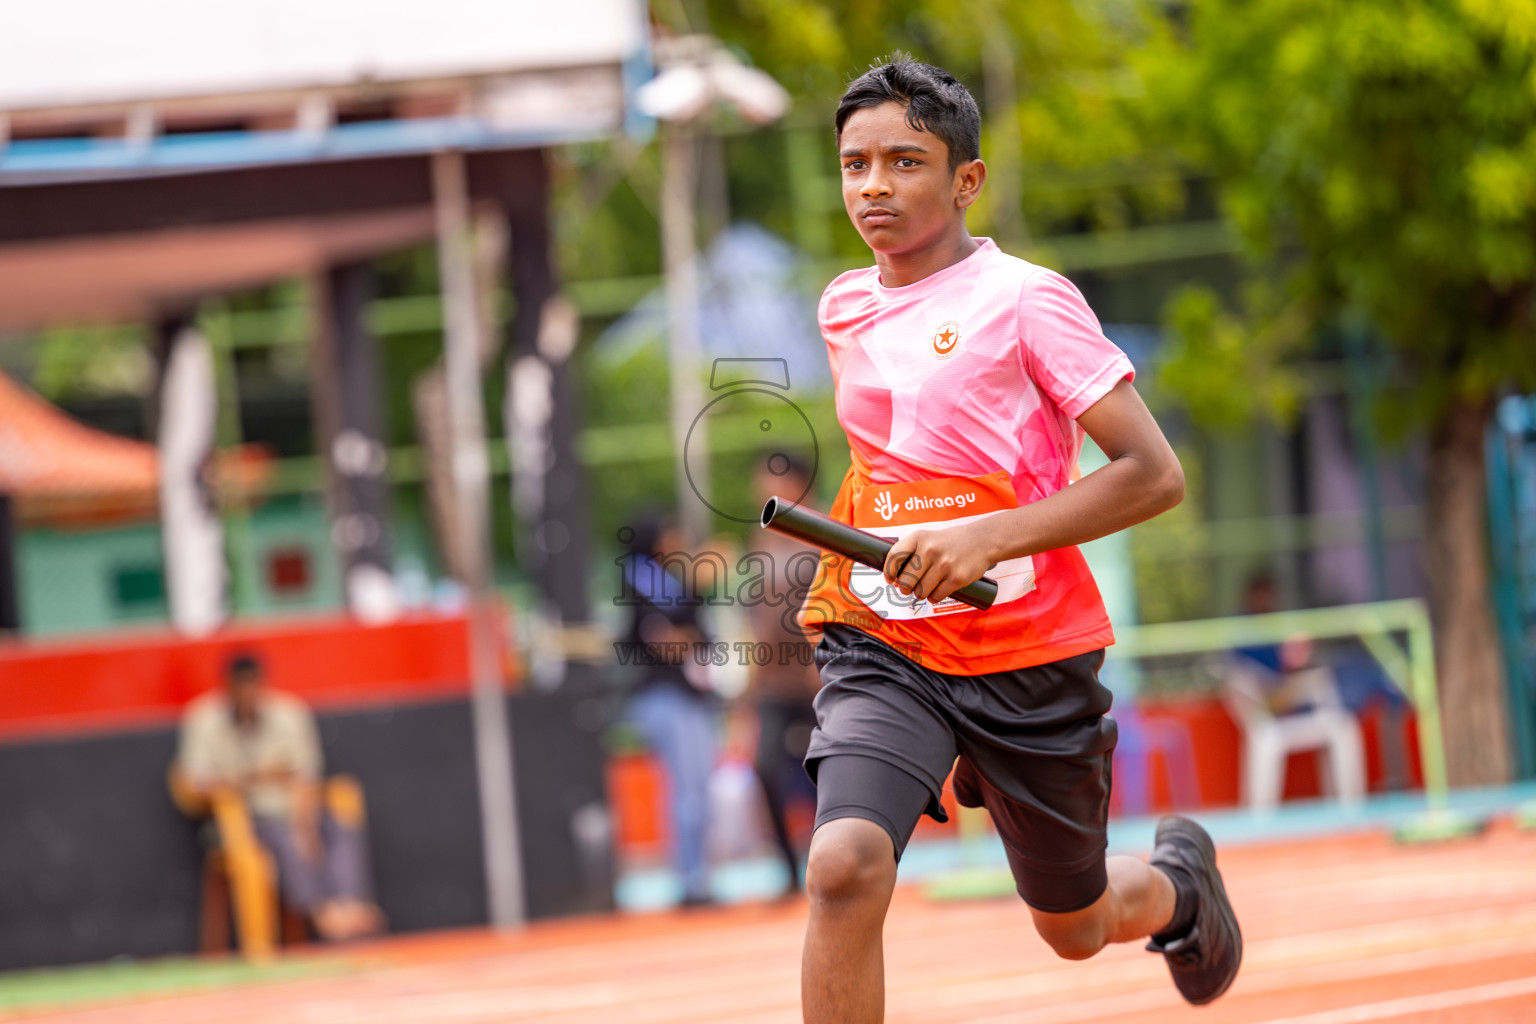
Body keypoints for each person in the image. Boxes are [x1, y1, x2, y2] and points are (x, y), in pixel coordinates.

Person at [792, 57, 1242, 1023]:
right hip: (891, 641)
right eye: (855, 164)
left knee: (1074, 926)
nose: (873, 187)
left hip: (1027, 649)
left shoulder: (1029, 299)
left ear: (967, 179)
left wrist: (987, 540)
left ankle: (1178, 890)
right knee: (842, 864)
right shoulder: (843, 305)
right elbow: (891, 460)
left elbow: (1153, 473)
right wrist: (862, 562)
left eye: (905, 162)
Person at [176, 651, 383, 942]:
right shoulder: (204, 718)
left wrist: (305, 823)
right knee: (283, 837)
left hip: (297, 808)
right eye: (241, 686)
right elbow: (191, 782)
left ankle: (351, 905)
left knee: (338, 824)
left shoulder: (289, 713)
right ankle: (323, 914)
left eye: (253, 685)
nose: (248, 694)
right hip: (243, 819)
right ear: (228, 687)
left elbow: (307, 775)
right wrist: (253, 778)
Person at [619, 511, 721, 907]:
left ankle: (698, 877)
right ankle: (691, 880)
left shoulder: (674, 580)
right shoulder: (641, 579)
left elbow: (696, 636)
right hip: (665, 697)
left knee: (699, 790)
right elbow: (671, 643)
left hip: (690, 697)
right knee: (686, 793)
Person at [739, 453, 823, 894]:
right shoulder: (761, 540)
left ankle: (828, 860)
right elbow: (755, 616)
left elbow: (836, 601)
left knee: (827, 770)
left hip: (816, 678)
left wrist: (821, 659)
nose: (763, 487)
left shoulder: (823, 533)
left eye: (773, 478)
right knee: (764, 766)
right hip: (772, 682)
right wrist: (749, 683)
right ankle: (790, 869)